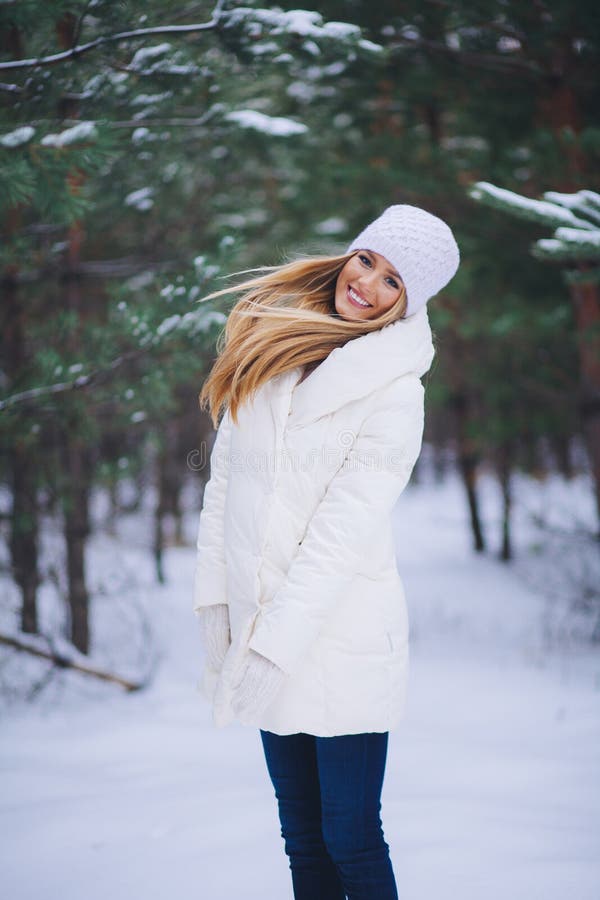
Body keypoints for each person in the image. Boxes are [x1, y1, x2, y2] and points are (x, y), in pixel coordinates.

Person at [192, 205, 460, 900]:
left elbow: (340, 542)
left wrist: (271, 650)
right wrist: (217, 606)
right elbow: (225, 490)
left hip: (342, 643)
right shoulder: (276, 351)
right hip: (264, 627)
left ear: (409, 305)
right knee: (301, 836)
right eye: (367, 259)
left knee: (350, 835)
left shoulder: (396, 396)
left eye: (393, 281)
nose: (367, 283)